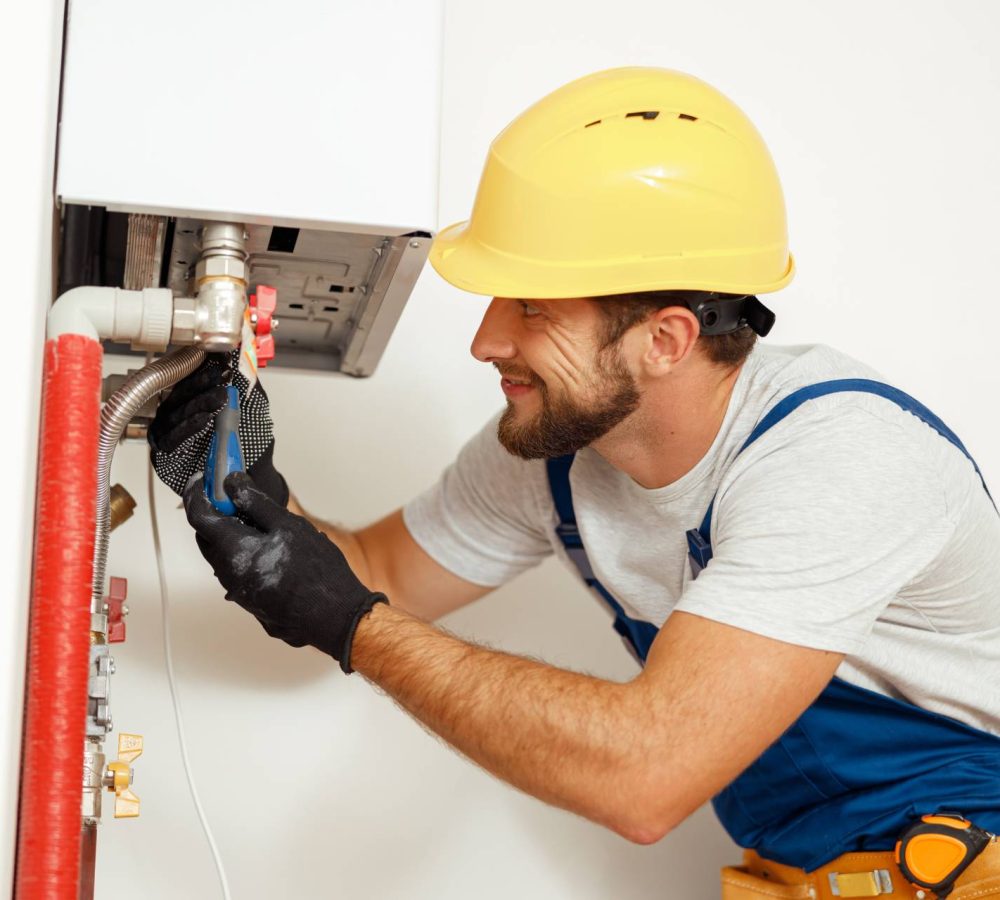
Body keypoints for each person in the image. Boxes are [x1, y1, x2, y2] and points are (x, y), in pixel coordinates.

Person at [150, 68, 1000, 899]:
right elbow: (378, 576)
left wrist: (352, 625)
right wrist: (244, 476)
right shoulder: (555, 447)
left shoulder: (839, 459)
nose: (485, 341)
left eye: (532, 308)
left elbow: (645, 775)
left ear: (664, 341)